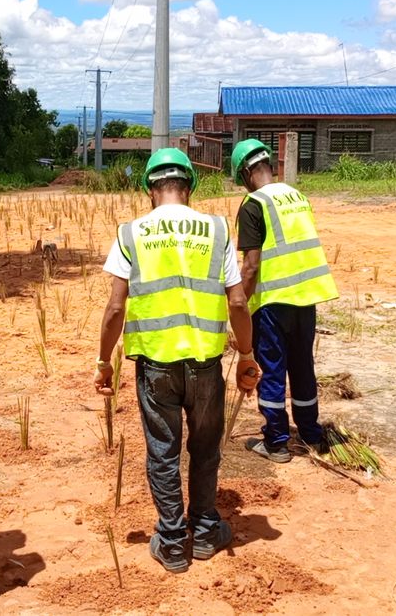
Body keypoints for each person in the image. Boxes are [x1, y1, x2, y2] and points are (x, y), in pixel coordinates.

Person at [94, 148, 261, 574]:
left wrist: (103, 362)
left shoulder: (131, 233)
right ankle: (204, 531)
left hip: (155, 366)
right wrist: (245, 354)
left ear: (150, 189)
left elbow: (115, 309)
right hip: (205, 362)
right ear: (188, 187)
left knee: (163, 452)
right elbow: (238, 301)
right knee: (205, 448)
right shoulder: (218, 229)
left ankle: (171, 542)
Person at [230, 139, 339, 463]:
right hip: (306, 298)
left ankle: (277, 442)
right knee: (303, 368)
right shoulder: (297, 197)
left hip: (273, 302)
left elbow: (250, 266)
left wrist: (239, 306)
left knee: (273, 371)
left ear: (247, 172)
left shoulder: (253, 204)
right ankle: (310, 434)